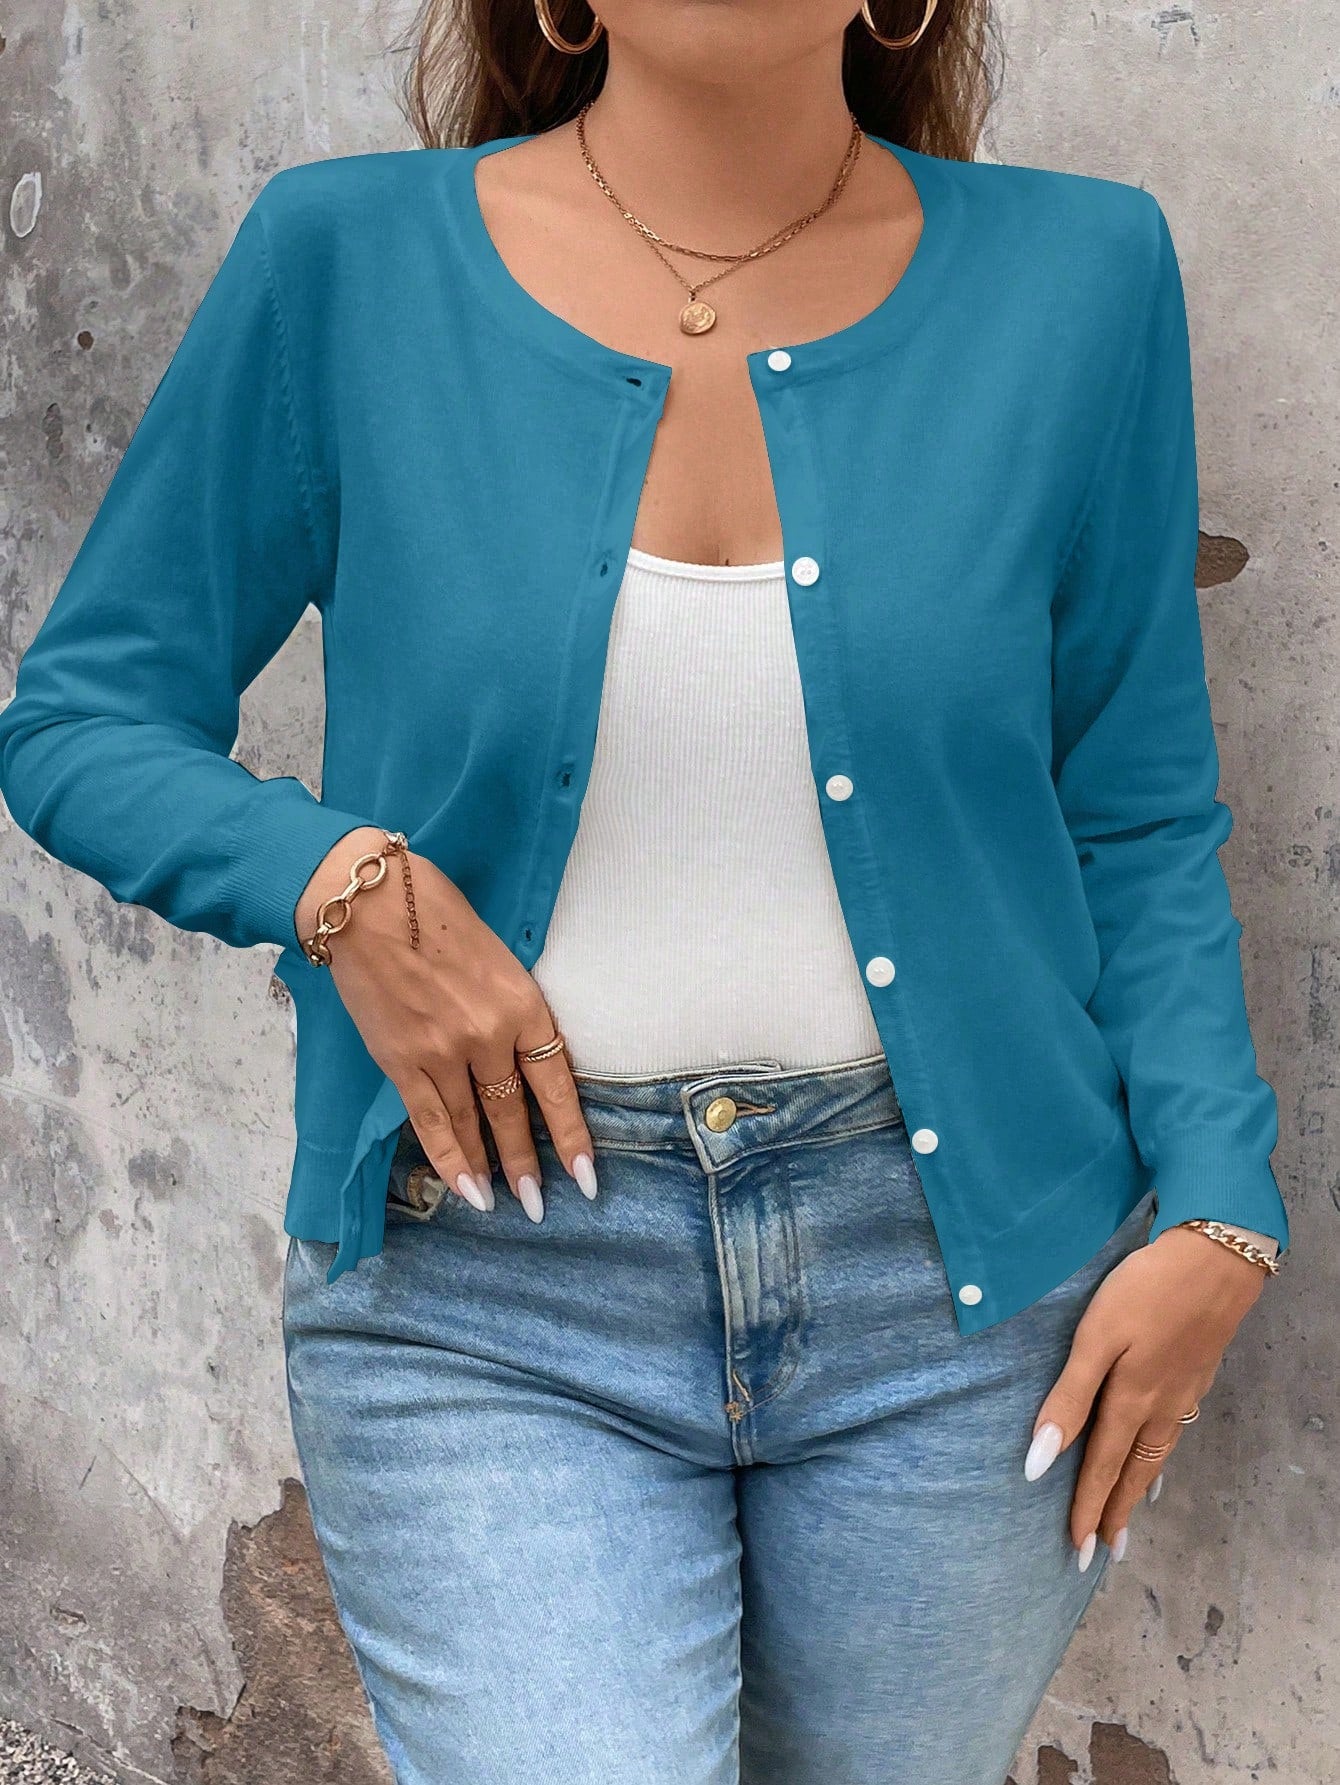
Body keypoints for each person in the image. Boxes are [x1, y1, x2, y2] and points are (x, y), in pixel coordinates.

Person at [0, 2, 1291, 1780]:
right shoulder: (345, 260)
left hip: (969, 1296)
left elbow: (1134, 811)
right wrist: (337, 882)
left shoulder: (1083, 278)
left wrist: (1220, 1206)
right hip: (487, 1282)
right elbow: (82, 717)